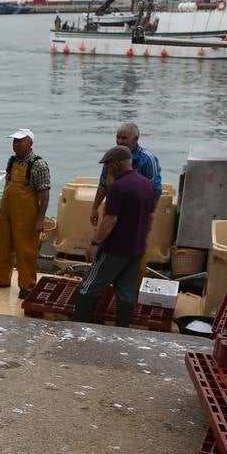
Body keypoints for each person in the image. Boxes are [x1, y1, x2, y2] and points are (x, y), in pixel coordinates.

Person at [72, 145, 157, 327]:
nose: (106, 169)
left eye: (107, 165)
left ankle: (78, 327)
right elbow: (150, 217)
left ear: (117, 164)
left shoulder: (118, 187)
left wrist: (95, 243)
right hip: (136, 249)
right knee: (126, 291)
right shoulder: (146, 185)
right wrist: (142, 238)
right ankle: (122, 330)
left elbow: (110, 220)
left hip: (114, 249)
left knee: (89, 287)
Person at [0, 128, 50, 299]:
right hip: (6, 211)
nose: (16, 144)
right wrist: (0, 212)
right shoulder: (12, 161)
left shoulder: (38, 165)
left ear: (30, 143)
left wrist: (41, 218)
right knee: (0, 245)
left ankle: (27, 285)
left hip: (26, 215)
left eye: (20, 141)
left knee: (26, 250)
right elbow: (8, 184)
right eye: (14, 141)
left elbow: (45, 192)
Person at [89, 121, 162, 278]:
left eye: (124, 138)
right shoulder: (112, 156)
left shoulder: (147, 159)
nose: (120, 141)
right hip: (112, 211)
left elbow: (155, 191)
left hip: (135, 216)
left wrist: (148, 216)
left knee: (136, 252)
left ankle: (132, 287)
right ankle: (108, 283)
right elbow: (103, 184)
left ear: (135, 139)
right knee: (107, 246)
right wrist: (95, 207)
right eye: (118, 137)